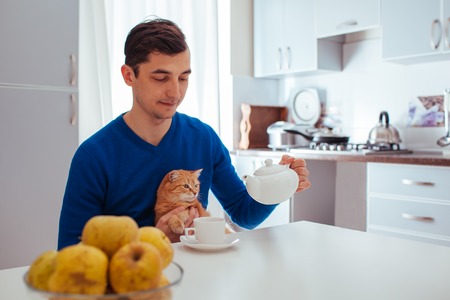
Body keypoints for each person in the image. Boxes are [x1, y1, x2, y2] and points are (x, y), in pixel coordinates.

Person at [57, 18, 311, 248]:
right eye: (161, 78)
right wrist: (156, 241)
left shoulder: (203, 138)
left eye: (183, 78)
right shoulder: (93, 156)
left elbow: (243, 212)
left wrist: (277, 188)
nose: (175, 93)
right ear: (129, 75)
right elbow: (71, 253)